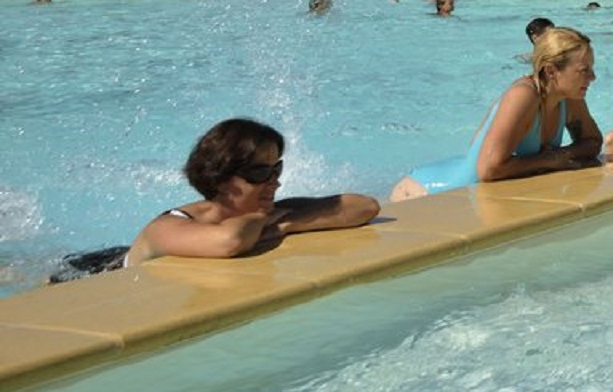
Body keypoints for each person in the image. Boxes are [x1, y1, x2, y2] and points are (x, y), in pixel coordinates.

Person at [51, 118, 379, 281]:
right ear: (221, 177)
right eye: (260, 172)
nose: (275, 181)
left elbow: (363, 206)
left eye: (276, 168)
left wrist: (287, 222)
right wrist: (270, 224)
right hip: (88, 273)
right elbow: (230, 241)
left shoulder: (272, 212)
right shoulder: (166, 227)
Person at [389, 26, 605, 201]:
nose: (592, 77)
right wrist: (551, 160)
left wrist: (559, 157)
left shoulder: (568, 97)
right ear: (551, 71)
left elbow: (593, 142)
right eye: (584, 70)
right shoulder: (524, 96)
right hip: (429, 193)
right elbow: (489, 169)